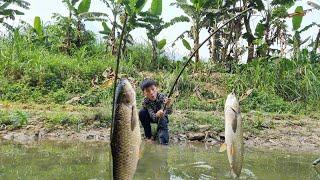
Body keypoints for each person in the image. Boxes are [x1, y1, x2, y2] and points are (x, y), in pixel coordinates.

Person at [139, 78, 173, 145]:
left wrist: (168, 105)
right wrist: (157, 114)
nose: (151, 93)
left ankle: (164, 143)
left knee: (163, 119)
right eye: (148, 91)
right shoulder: (145, 102)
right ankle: (148, 137)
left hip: (163, 118)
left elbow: (170, 112)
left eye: (153, 89)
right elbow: (152, 116)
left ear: (156, 88)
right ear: (144, 93)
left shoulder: (162, 97)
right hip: (152, 117)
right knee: (142, 112)